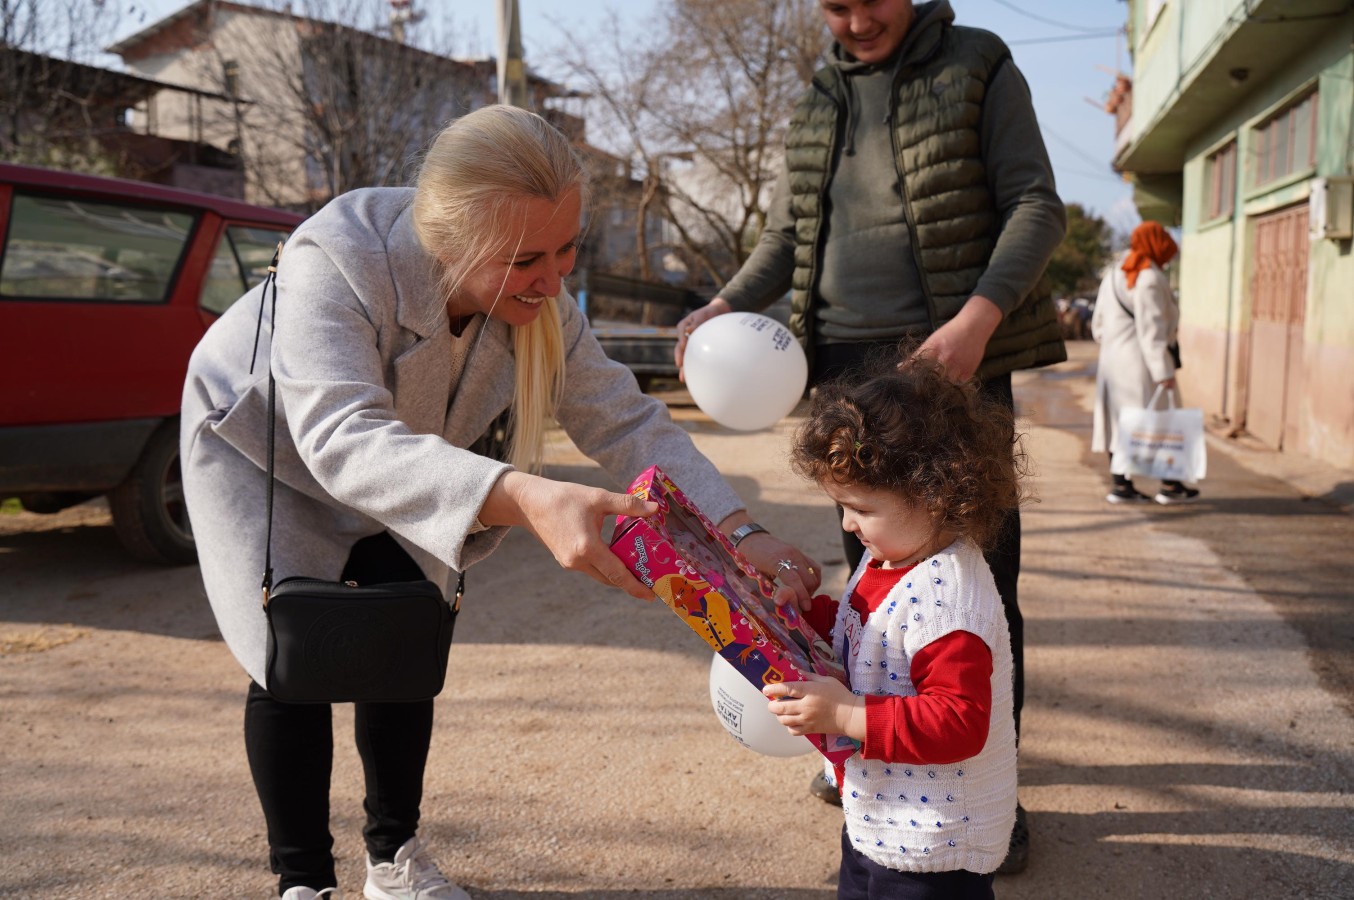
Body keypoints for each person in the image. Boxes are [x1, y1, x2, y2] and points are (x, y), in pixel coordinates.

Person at [180, 105, 821, 900]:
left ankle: (393, 860)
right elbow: (342, 438)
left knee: (405, 630)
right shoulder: (337, 257)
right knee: (290, 656)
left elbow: (623, 418)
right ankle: (302, 883)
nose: (555, 282)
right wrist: (520, 495)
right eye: (526, 260)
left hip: (410, 454)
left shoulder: (541, 298)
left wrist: (738, 529)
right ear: (448, 243)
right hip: (266, 449)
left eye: (568, 248)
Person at [672, 0, 1065, 872]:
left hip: (953, 358)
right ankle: (865, 742)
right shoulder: (816, 99)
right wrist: (727, 304)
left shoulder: (978, 63)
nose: (854, 20)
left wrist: (976, 323)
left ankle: (985, 777)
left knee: (977, 584)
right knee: (869, 570)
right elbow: (786, 237)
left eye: (870, 0)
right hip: (843, 370)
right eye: (834, 5)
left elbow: (1036, 204)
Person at [764, 350, 1024, 900]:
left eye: (861, 508)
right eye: (841, 505)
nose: (846, 522)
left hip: (934, 848)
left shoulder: (950, 603)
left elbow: (958, 721)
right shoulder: (892, 556)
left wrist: (843, 713)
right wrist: (806, 615)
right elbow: (871, 638)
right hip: (881, 816)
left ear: (935, 496)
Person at [1090, 220, 1198, 505]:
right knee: (1161, 423)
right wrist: (1162, 370)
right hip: (1141, 364)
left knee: (1121, 424)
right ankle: (1170, 486)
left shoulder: (1113, 274)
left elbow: (1097, 326)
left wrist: (1116, 344)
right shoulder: (1148, 277)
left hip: (1113, 363)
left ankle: (1121, 485)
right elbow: (1152, 331)